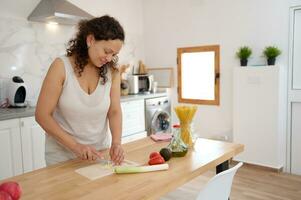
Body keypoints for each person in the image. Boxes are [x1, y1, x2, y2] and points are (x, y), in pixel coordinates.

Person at [35, 15, 125, 166]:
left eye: (114, 54)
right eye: (106, 51)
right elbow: (42, 115)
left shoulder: (112, 73)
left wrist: (116, 142)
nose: (109, 59)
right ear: (90, 40)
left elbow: (114, 110)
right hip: (62, 158)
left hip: (99, 155)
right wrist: (76, 146)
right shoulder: (61, 66)